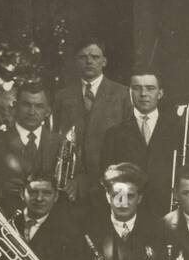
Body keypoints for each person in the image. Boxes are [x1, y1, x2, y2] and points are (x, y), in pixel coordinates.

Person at [52, 39, 131, 199]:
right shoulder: (63, 97)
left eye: (95, 57)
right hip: (72, 185)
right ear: (76, 61)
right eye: (83, 57)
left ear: (104, 61)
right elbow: (57, 138)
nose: (89, 61)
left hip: (111, 182)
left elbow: (128, 141)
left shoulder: (123, 95)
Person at [99, 68, 181, 220]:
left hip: (169, 212)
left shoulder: (179, 128)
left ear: (160, 93)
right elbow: (108, 181)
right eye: (137, 88)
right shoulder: (114, 134)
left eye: (150, 88)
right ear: (130, 93)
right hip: (130, 214)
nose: (143, 94)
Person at [0, 82, 65, 200]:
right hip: (6, 214)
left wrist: (74, 183)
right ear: (15, 107)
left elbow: (78, 178)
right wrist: (0, 187)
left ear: (48, 111)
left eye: (39, 106)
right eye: (26, 105)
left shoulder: (60, 143)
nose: (32, 112)